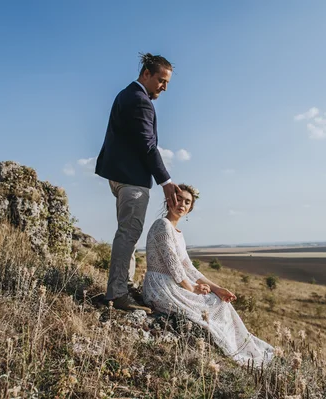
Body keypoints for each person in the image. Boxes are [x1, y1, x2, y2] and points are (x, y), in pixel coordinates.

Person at [143, 185, 274, 367]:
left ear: (190, 208)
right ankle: (236, 351)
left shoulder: (178, 234)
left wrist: (217, 288)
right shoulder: (162, 225)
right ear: (169, 200)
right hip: (160, 285)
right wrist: (192, 288)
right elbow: (173, 264)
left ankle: (243, 348)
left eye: (187, 202)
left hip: (174, 283)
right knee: (211, 305)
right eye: (179, 199)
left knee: (219, 300)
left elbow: (189, 268)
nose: (182, 204)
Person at [95, 53, 182, 312]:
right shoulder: (140, 101)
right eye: (161, 80)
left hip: (119, 174)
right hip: (131, 178)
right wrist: (165, 180)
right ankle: (118, 295)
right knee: (129, 234)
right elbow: (148, 145)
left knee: (128, 234)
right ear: (146, 73)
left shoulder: (126, 94)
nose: (164, 87)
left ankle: (124, 285)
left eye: (167, 83)